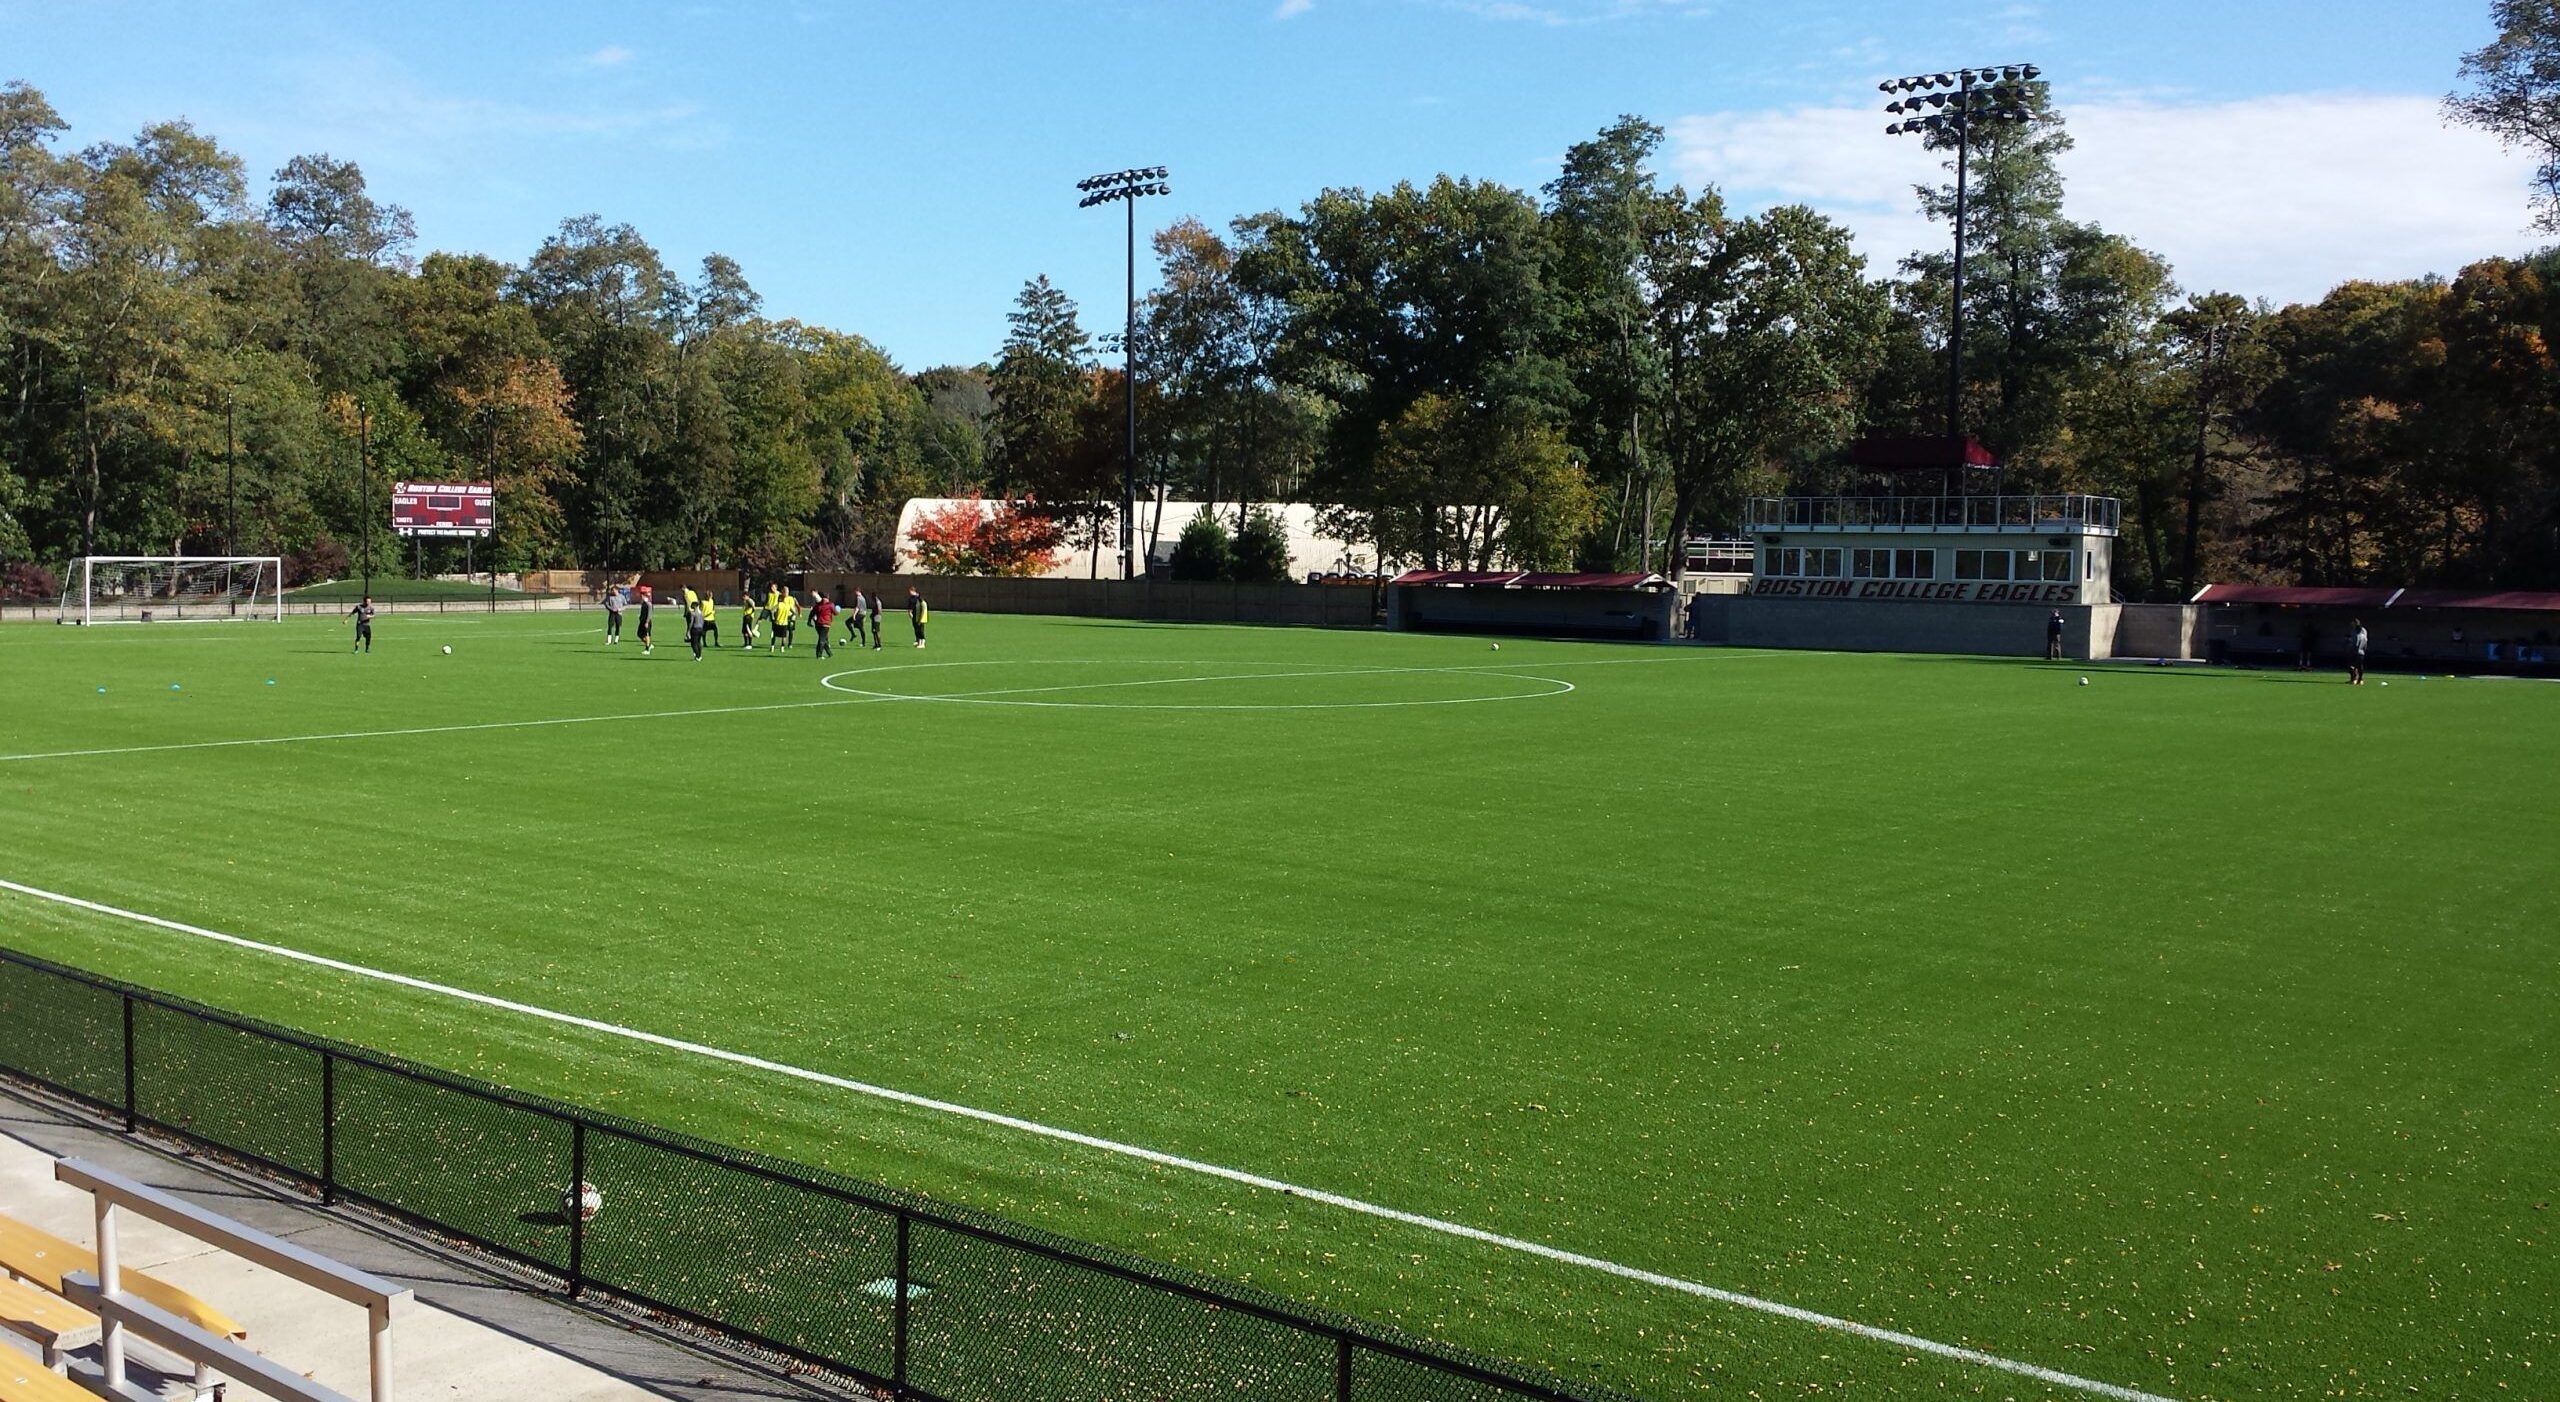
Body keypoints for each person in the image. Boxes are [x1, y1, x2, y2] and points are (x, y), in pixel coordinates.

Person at [811, 592, 838, 659]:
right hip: (826, 624)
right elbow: (835, 613)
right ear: (828, 598)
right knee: (822, 639)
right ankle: (819, 655)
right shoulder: (830, 605)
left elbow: (812, 613)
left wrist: (809, 621)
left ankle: (829, 653)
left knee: (824, 639)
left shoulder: (818, 605)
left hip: (818, 624)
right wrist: (838, 610)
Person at [635, 585, 655, 656]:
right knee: (639, 634)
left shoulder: (648, 604)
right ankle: (649, 644)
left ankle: (647, 649)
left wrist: (647, 622)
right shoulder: (643, 603)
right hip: (642, 621)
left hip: (646, 621)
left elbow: (649, 614)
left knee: (647, 635)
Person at [2348, 618, 2368, 685]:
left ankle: (2354, 679)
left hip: (2355, 651)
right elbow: (2365, 642)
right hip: (2362, 652)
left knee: (2352, 666)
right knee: (2360, 666)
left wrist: (2351, 650)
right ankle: (2360, 680)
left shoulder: (2356, 633)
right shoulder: (2363, 633)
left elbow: (2355, 644)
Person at [685, 595, 705, 661]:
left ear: (695, 606)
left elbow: (691, 622)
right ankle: (699, 655)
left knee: (694, 643)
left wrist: (688, 631)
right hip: (700, 629)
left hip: (695, 629)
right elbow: (703, 621)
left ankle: (697, 656)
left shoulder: (693, 613)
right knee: (699, 642)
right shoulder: (701, 613)